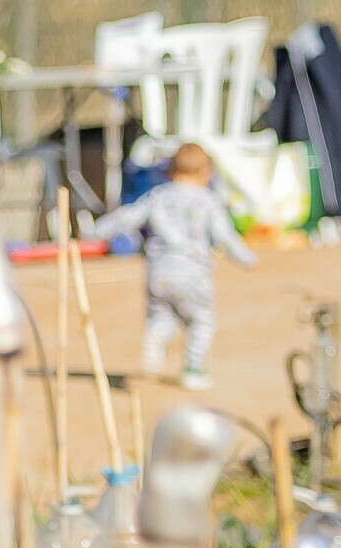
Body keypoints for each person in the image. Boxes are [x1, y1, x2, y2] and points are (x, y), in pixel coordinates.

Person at [87, 138, 253, 390]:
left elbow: (128, 216)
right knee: (201, 319)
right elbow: (224, 236)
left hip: (158, 272)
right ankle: (194, 369)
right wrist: (246, 258)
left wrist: (96, 231)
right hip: (192, 271)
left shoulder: (158, 196)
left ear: (169, 171)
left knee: (162, 315)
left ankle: (155, 342)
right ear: (207, 173)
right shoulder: (207, 201)